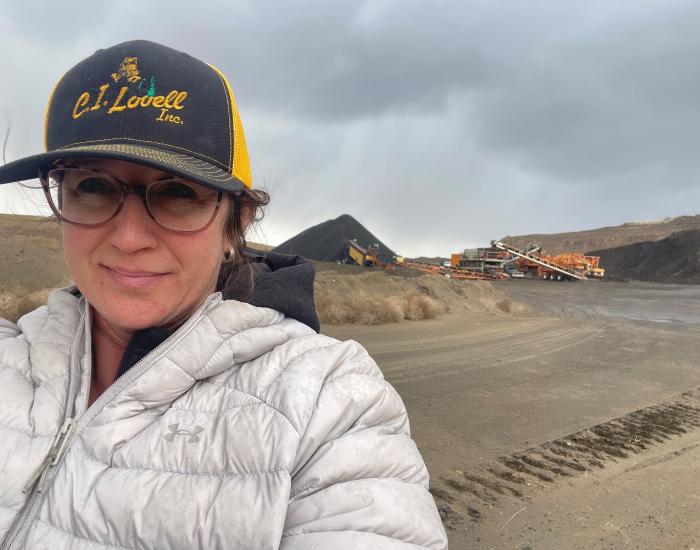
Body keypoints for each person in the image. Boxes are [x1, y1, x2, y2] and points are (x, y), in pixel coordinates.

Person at [0, 40, 448, 549]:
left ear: (236, 222)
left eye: (177, 193)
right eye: (93, 187)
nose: (128, 238)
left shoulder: (327, 401)